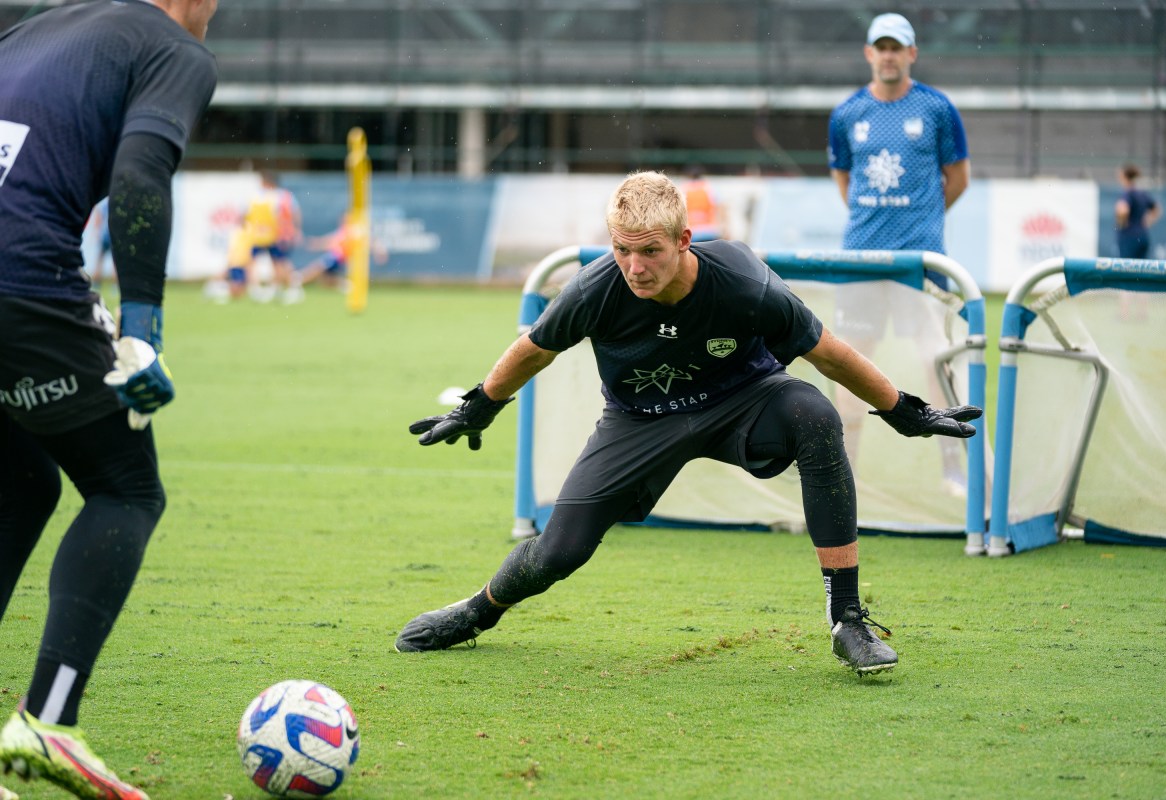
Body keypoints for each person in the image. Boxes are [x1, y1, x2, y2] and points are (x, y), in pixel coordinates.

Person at [394, 171, 980, 676]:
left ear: (684, 240)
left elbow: (825, 351)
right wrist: (480, 406)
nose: (634, 266)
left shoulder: (745, 283)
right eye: (623, 249)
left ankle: (846, 619)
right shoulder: (595, 288)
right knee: (557, 554)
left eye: (650, 251)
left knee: (815, 413)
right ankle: (478, 610)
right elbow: (535, 349)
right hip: (637, 420)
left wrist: (902, 410)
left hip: (745, 400)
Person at [0, 2, 219, 799]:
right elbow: (138, 174)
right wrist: (142, 329)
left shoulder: (32, 29)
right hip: (21, 279)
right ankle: (47, 721)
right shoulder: (174, 50)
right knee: (125, 487)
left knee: (19, 484)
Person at [827, 12, 972, 492]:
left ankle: (953, 463)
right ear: (869, 53)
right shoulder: (848, 114)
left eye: (898, 47)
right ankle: (843, 471)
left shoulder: (935, 108)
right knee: (850, 366)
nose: (888, 55)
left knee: (936, 361)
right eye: (880, 47)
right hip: (861, 262)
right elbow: (844, 180)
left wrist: (922, 222)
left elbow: (958, 178)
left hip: (920, 262)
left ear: (911, 53)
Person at [244, 171, 303, 302]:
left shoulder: (266, 197)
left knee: (280, 262)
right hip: (277, 234)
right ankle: (281, 288)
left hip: (274, 235)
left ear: (265, 182)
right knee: (278, 262)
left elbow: (249, 214)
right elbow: (296, 212)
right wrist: (297, 230)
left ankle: (290, 288)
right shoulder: (285, 196)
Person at [1114, 163, 1161, 259]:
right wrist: (1147, 222)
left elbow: (1123, 210)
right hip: (1143, 236)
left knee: (1126, 270)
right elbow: (1156, 208)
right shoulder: (1142, 193)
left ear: (1124, 177)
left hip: (1129, 237)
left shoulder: (1128, 194)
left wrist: (1121, 221)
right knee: (1140, 271)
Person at [680, 165, 726, 242]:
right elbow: (720, 208)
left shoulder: (684, 189)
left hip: (691, 231)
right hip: (709, 231)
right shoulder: (709, 188)